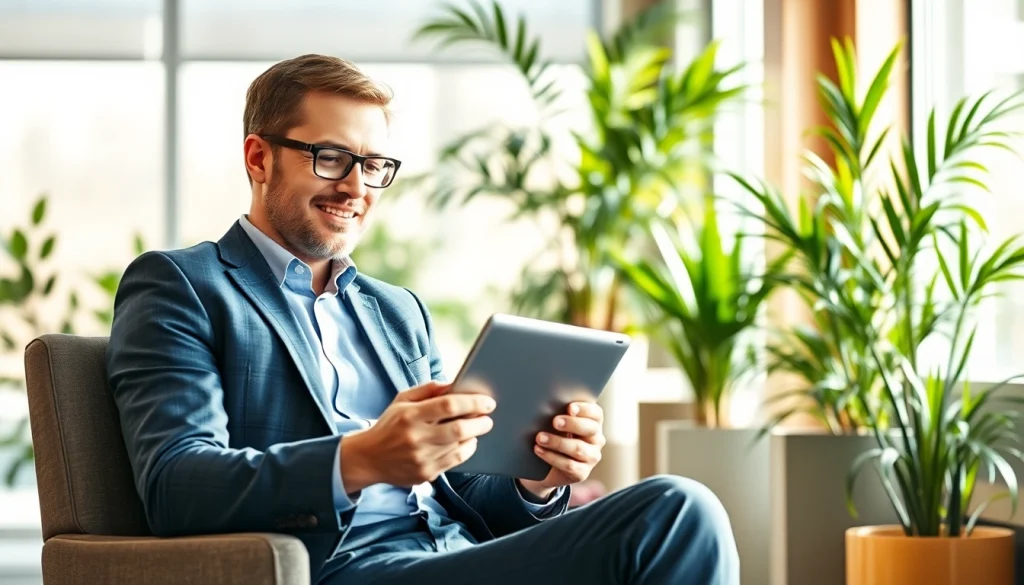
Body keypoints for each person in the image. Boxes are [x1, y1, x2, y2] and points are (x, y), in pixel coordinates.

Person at [105, 53, 739, 585]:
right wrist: (360, 458)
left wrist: (538, 481)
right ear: (259, 158)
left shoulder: (396, 311)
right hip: (338, 566)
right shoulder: (183, 284)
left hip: (450, 554)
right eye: (330, 157)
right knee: (677, 511)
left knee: (674, 510)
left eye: (374, 166)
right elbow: (177, 485)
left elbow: (461, 489)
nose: (357, 188)